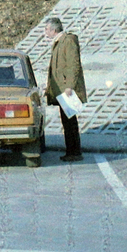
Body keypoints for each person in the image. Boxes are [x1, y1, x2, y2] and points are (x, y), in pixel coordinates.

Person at [43, 17, 87, 161]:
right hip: (62, 89)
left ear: (54, 30)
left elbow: (73, 65)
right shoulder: (59, 42)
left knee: (70, 123)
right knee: (67, 121)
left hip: (67, 90)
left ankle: (74, 152)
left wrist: (70, 86)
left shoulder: (67, 41)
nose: (45, 32)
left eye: (47, 29)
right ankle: (72, 151)